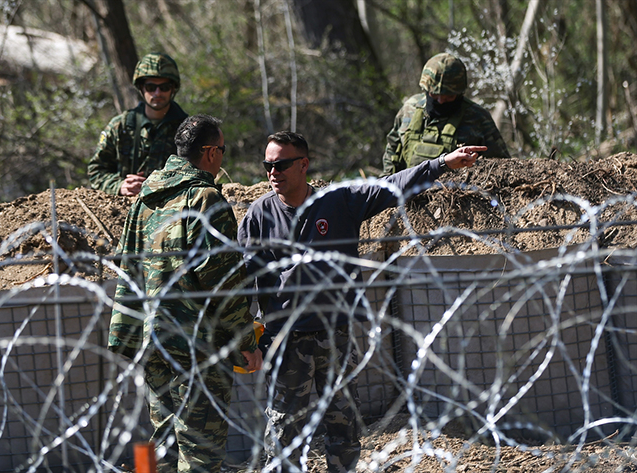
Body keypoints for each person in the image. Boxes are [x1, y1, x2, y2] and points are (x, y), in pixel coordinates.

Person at [237, 131, 483, 473]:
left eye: (280, 164)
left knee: (344, 427)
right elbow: (241, 281)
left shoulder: (339, 202)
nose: (272, 173)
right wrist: (245, 339)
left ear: (304, 164)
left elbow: (392, 185)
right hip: (284, 341)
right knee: (283, 434)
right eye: (268, 165)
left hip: (335, 334)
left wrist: (442, 164)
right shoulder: (260, 214)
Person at [107, 114, 262, 473]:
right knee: (201, 454)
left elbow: (127, 269)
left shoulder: (145, 201)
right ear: (208, 153)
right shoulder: (206, 199)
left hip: (154, 343)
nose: (222, 159)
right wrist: (244, 339)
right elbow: (221, 280)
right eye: (222, 150)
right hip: (198, 349)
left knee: (163, 448)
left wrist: (127, 333)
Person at [382, 52, 511, 175]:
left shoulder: (478, 118)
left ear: (459, 92)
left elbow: (501, 166)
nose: (440, 101)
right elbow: (393, 149)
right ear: (425, 89)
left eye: (448, 96)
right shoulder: (410, 109)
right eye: (434, 94)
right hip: (407, 194)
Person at [89, 52, 189, 196]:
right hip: (124, 210)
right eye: (150, 87)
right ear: (141, 88)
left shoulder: (189, 130)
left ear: (173, 88)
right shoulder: (121, 126)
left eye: (165, 87)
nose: (157, 93)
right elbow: (97, 170)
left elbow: (202, 174)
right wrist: (119, 186)